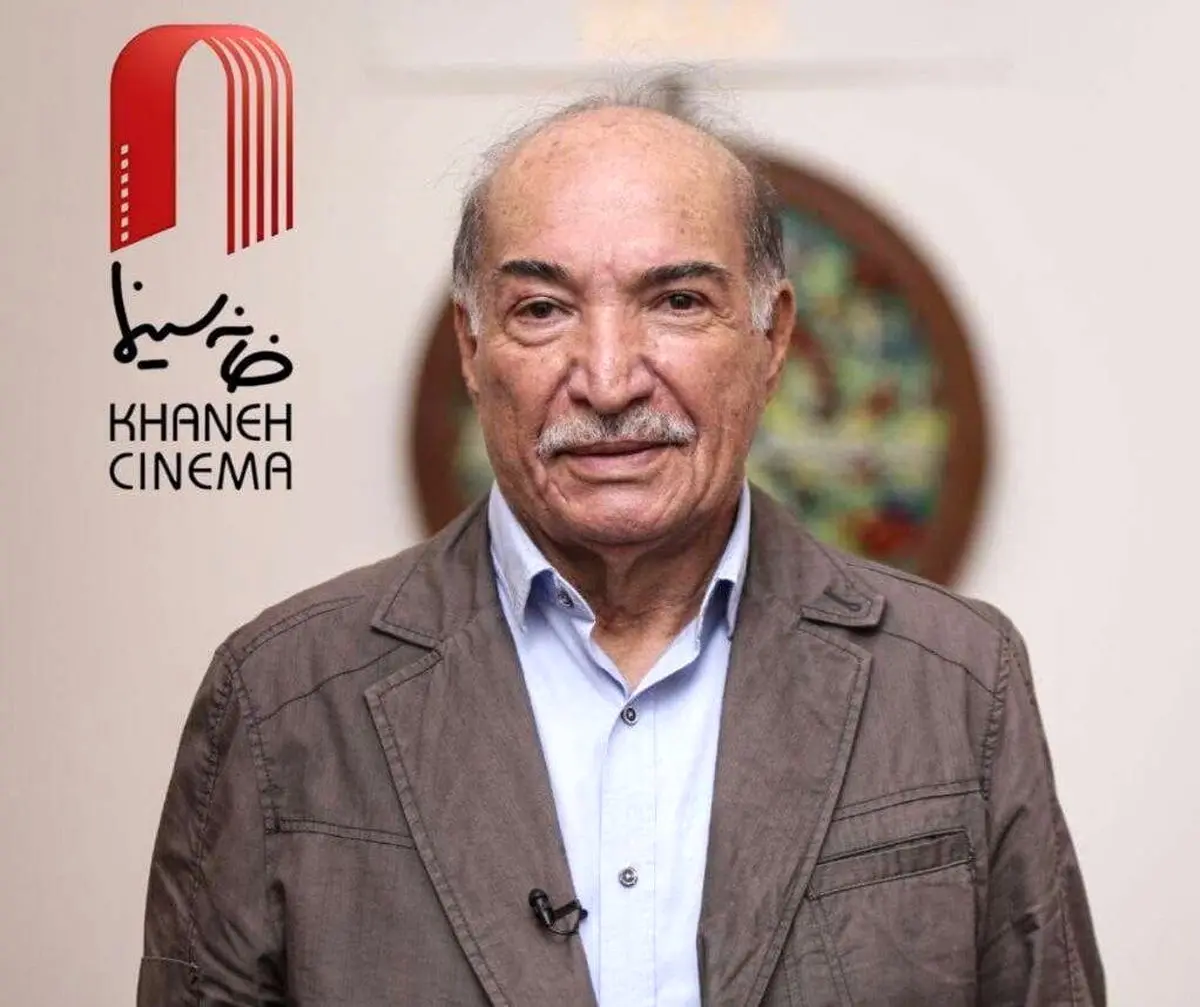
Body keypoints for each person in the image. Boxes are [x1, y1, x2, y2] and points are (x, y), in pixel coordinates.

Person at [137, 92, 1105, 1006]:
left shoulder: (957, 682)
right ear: (472, 348)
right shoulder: (281, 700)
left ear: (772, 340)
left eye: (676, 301)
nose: (606, 381)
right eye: (542, 309)